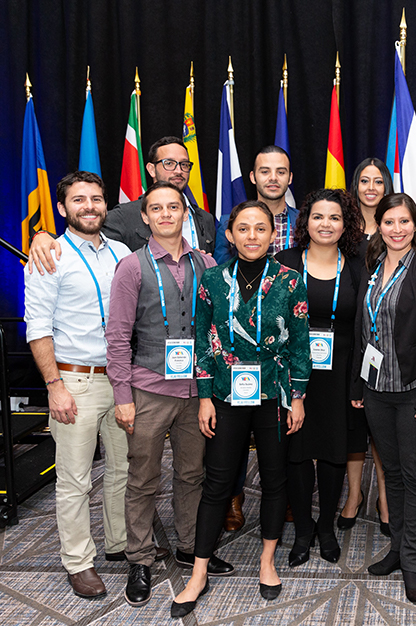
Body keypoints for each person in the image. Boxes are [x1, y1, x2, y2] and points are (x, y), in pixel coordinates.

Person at [171, 200, 310, 617]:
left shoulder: (290, 281)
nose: (252, 236)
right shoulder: (211, 280)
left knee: (273, 478)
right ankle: (198, 572)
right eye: (243, 229)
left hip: (274, 395)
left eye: (261, 229)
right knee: (216, 483)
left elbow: (301, 343)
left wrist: (298, 395)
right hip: (226, 396)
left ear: (273, 235)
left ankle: (267, 561)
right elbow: (201, 340)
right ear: (230, 236)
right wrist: (205, 396)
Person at [105, 182, 231, 608]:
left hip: (196, 393)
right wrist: (123, 395)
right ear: (145, 217)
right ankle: (139, 559)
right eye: (155, 209)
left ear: (184, 213)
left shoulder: (207, 262)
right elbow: (118, 336)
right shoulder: (132, 267)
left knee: (192, 475)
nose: (164, 215)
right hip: (148, 391)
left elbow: (215, 329)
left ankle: (190, 546)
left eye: (172, 207)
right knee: (142, 479)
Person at [24, 172, 131, 599]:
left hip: (119, 381)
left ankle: (119, 543)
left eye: (97, 199)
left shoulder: (121, 252)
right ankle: (78, 561)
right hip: (74, 381)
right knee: (75, 479)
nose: (90, 206)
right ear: (64, 207)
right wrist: (54, 385)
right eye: (79, 200)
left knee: (123, 470)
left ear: (107, 206)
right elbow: (37, 328)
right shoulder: (50, 254)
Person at [351, 193, 416, 604]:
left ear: (415, 226)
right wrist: (359, 388)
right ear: (381, 226)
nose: (396, 229)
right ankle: (395, 549)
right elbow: (365, 333)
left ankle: (412, 560)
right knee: (390, 474)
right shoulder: (372, 269)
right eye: (389, 222)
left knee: (415, 476)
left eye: (404, 222)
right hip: (377, 392)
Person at [275, 188, 364, 566]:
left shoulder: (359, 265)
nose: (325, 224)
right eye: (318, 217)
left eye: (334, 218)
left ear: (345, 225)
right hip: (293, 374)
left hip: (340, 373)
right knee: (295, 454)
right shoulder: (284, 261)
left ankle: (326, 527)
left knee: (332, 452)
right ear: (305, 221)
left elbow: (367, 325)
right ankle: (303, 530)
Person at [220, 145, 301, 530]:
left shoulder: (307, 220)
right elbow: (221, 281)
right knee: (232, 433)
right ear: (252, 177)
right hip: (239, 347)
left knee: (287, 430)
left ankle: (283, 498)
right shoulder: (234, 220)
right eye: (264, 171)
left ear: (290, 177)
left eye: (280, 171)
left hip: (287, 345)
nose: (273, 178)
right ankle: (233, 498)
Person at [27, 137, 216, 275]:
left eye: (184, 164)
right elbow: (86, 231)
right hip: (147, 318)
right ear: (151, 169)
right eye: (169, 163)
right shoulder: (126, 215)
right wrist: (41, 235)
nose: (178, 170)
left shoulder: (204, 218)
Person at [338, 158, 395, 537]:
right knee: (353, 423)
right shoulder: (343, 227)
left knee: (383, 426)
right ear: (354, 185)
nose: (371, 187)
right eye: (364, 180)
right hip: (346, 337)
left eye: (378, 181)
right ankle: (355, 495)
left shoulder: (395, 225)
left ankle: (386, 498)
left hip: (385, 338)